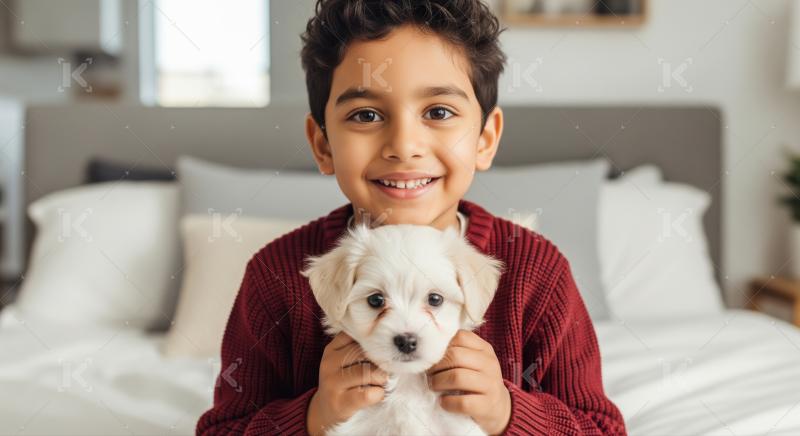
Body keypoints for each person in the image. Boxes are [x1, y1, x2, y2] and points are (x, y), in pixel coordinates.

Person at [196, 1, 627, 434]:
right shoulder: (275, 275)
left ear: (485, 139)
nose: (404, 145)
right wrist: (314, 415)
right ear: (323, 144)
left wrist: (505, 411)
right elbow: (221, 430)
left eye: (438, 112)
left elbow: (602, 429)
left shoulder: (536, 272)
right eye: (366, 115)